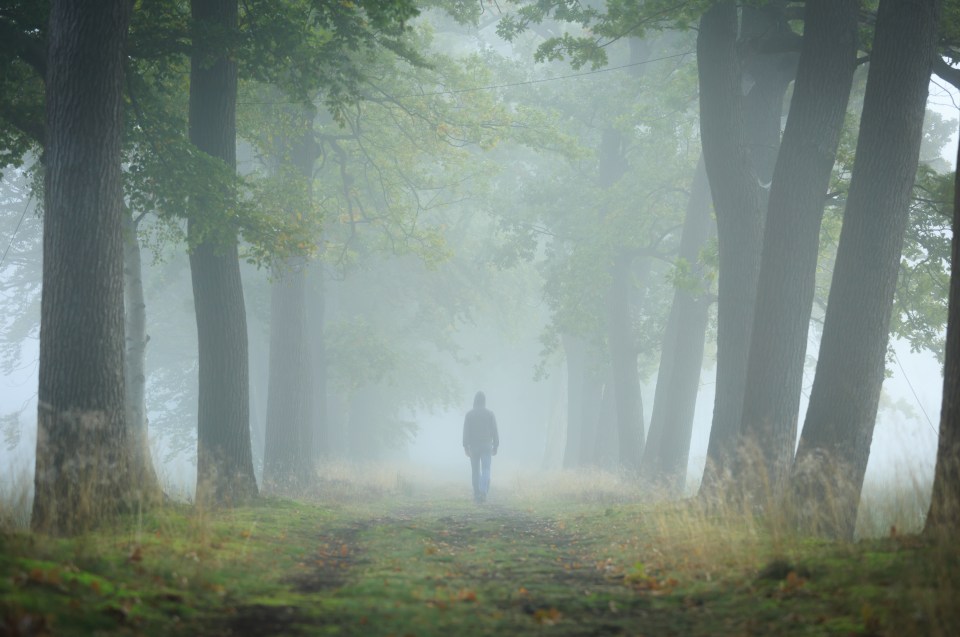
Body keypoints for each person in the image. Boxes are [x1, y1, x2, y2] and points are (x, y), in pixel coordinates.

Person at [462, 391, 499, 503]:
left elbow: (466, 432)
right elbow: (494, 430)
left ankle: (477, 493)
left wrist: (465, 447)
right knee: (486, 469)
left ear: (475, 401)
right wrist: (496, 445)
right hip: (486, 445)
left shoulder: (469, 415)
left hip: (474, 446)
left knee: (475, 470)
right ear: (484, 401)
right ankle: (483, 491)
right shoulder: (490, 414)